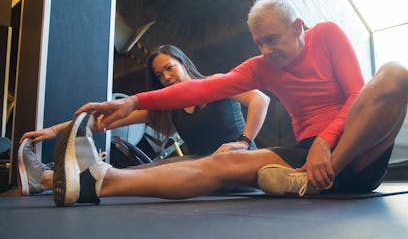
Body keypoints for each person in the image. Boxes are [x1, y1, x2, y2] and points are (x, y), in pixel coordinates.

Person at [53, 0, 408, 207]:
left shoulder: (328, 36)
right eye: (259, 43)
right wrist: (134, 101)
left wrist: (325, 143)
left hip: (357, 154)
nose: (266, 50)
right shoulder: (261, 67)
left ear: (298, 27)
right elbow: (201, 88)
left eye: (273, 39)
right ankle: (98, 182)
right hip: (303, 156)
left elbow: (355, 94)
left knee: (396, 74)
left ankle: (315, 179)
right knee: (218, 166)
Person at [17, 45, 269, 196]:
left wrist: (244, 142)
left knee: (144, 173)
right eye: (160, 75)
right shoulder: (167, 107)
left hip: (240, 169)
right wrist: (53, 130)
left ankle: (44, 178)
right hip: (203, 170)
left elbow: (260, 99)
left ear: (183, 61)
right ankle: (46, 179)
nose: (166, 77)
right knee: (133, 172)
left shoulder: (216, 83)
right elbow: (106, 120)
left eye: (170, 68)